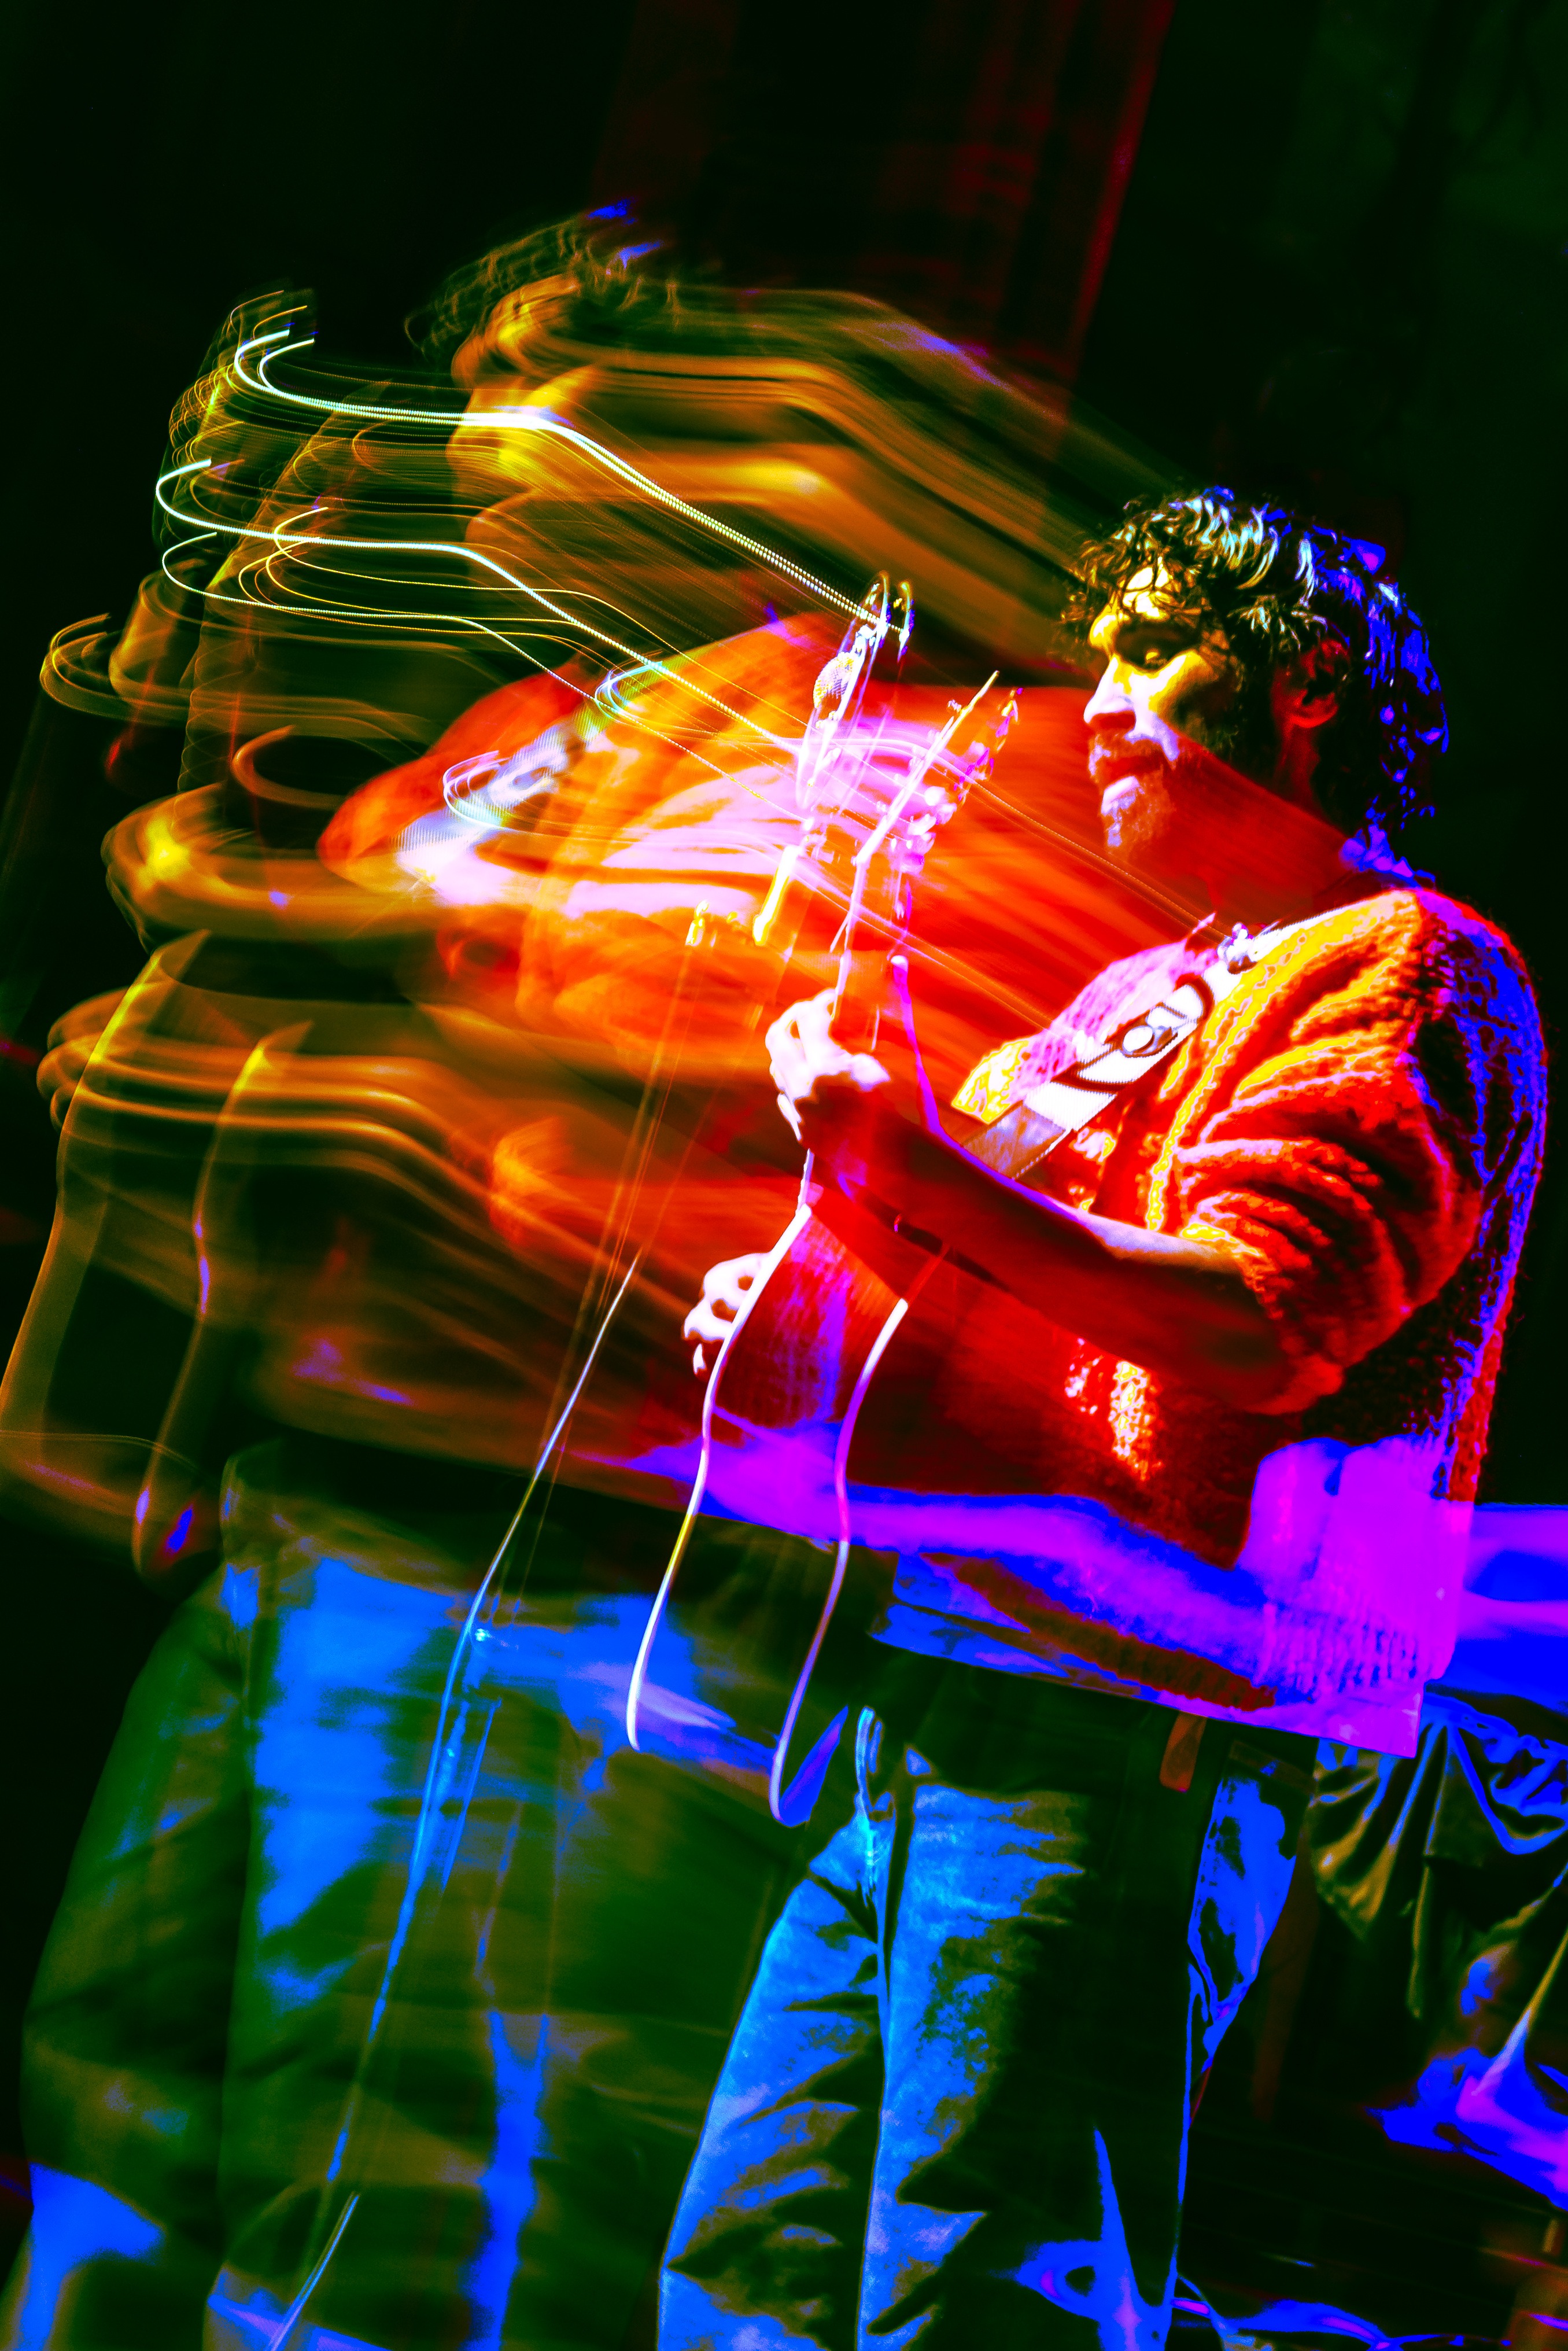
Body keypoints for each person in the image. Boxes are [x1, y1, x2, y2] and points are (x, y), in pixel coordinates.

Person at [658, 488, 1548, 2348]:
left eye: (1153, 649)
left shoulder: (1406, 965)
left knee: (982, 2282)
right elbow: (993, 1277)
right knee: (753, 2263)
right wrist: (818, 1290)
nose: (1100, 703)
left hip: (1136, 1714)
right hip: (937, 1687)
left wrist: (917, 1175)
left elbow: (1262, 1321)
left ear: (1305, 684)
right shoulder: (1145, 990)